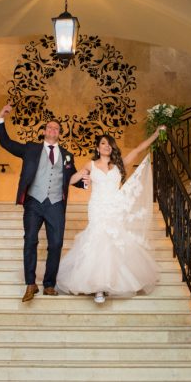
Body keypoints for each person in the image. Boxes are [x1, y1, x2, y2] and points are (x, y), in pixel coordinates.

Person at [56, 127, 164, 303]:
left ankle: (111, 283)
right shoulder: (90, 164)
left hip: (116, 208)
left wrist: (155, 134)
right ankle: (99, 288)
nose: (106, 146)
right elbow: (71, 179)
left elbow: (137, 149)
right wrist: (76, 173)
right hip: (97, 207)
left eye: (109, 144)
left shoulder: (119, 164)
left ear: (112, 148)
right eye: (103, 143)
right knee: (98, 240)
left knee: (113, 242)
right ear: (98, 148)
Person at [0, 103, 83, 302]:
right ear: (44, 131)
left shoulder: (67, 155)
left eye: (56, 128)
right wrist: (1, 118)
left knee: (57, 243)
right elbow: (6, 143)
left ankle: (49, 284)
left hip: (56, 204)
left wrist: (92, 179)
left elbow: (72, 179)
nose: (53, 130)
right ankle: (30, 284)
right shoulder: (30, 149)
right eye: (49, 127)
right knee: (30, 240)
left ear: (60, 133)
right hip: (34, 202)